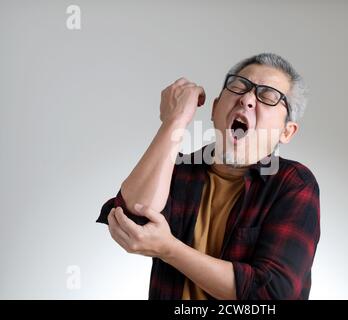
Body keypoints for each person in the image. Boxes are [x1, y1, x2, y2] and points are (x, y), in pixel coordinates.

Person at [97, 53, 320, 300]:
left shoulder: (293, 184)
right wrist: (174, 120)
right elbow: (132, 221)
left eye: (267, 96)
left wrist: (169, 249)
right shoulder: (178, 169)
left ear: (286, 132)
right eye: (238, 87)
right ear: (214, 109)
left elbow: (271, 293)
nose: (246, 99)